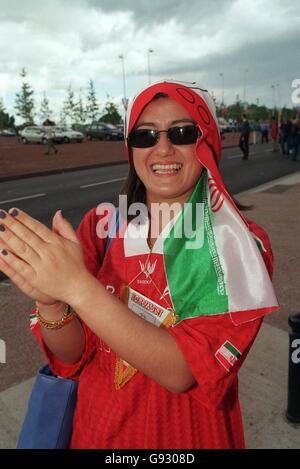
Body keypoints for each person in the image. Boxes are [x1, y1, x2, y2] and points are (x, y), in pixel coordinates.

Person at [0, 80, 278, 449]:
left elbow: (181, 371)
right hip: (95, 433)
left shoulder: (238, 245)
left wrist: (77, 287)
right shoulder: (101, 229)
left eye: (182, 132)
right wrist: (51, 301)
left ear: (207, 142)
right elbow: (72, 354)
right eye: (145, 136)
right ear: (131, 149)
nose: (162, 148)